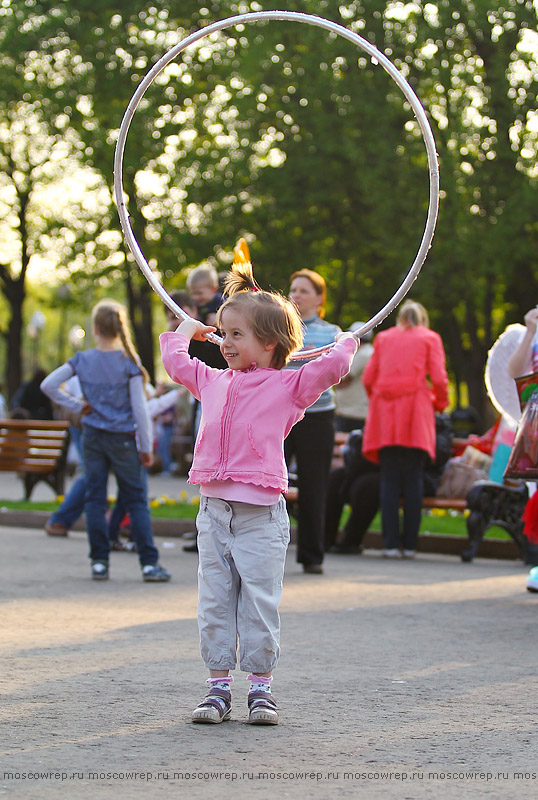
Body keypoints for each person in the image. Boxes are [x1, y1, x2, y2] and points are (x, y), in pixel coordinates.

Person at [160, 258, 357, 725]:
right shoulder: (212, 381)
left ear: (268, 343)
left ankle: (261, 689)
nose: (224, 343)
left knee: (259, 602)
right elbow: (175, 362)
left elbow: (331, 368)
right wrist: (185, 331)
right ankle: (217, 688)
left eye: (235, 335)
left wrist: (346, 339)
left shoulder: (288, 387)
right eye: (222, 333)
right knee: (214, 602)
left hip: (260, 518)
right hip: (214, 514)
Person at [40, 299, 171, 583]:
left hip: (93, 437)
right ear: (120, 327)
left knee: (95, 499)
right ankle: (149, 564)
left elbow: (48, 385)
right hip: (123, 439)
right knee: (136, 500)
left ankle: (99, 562)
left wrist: (76, 405)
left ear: (96, 328)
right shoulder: (130, 364)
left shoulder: (82, 360)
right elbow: (140, 410)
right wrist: (145, 447)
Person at [361, 300, 449, 558]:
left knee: (389, 480)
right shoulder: (430, 338)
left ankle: (389, 544)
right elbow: (440, 378)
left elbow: (368, 378)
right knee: (413, 480)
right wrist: (440, 403)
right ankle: (409, 545)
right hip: (415, 413)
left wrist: (378, 399)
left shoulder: (384, 339)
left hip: (384, 416)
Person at [284, 269, 341, 574]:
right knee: (272, 484)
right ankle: (266, 548)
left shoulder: (332, 332)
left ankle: (312, 556)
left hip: (318, 417)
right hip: (281, 416)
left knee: (314, 486)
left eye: (304, 290)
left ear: (319, 298)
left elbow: (337, 370)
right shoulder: (277, 328)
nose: (296, 295)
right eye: (293, 290)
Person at [334, 322, 374, 432]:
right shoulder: (365, 353)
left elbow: (342, 379)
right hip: (352, 410)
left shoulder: (364, 354)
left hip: (354, 412)